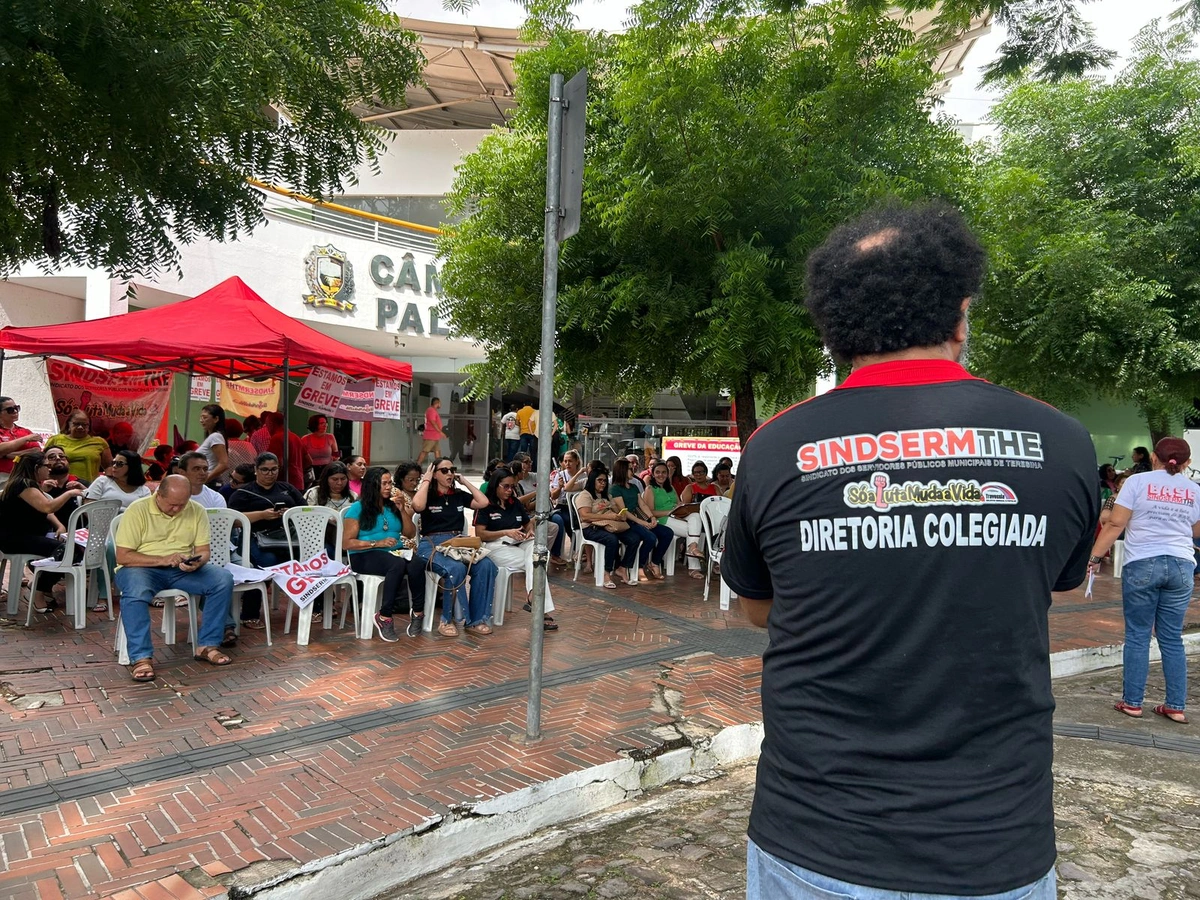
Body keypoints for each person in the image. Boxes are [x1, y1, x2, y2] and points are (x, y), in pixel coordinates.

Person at [722, 202, 1098, 900]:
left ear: (835, 329)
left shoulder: (775, 447)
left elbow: (758, 608)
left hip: (816, 838)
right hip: (993, 844)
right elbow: (1054, 585)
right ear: (961, 314)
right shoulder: (1060, 441)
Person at [1089, 437, 1200, 725]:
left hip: (1143, 563)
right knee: (1171, 638)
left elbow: (1115, 523)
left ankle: (1132, 703)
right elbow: (1196, 529)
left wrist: (1095, 557)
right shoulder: (1194, 489)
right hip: (1182, 565)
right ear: (1187, 463)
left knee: (1138, 635)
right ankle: (1175, 706)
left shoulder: (1137, 483)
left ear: (1153, 457)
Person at [114, 475, 235, 681]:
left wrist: (197, 562)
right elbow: (123, 556)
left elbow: (204, 551)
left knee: (222, 579)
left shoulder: (196, 510)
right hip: (141, 567)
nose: (177, 509)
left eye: (182, 504)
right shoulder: (137, 510)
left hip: (180, 568)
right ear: (158, 495)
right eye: (172, 504)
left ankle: (207, 645)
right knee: (135, 592)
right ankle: (141, 657)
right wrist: (162, 559)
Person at [411, 457, 498, 637]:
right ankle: (446, 620)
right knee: (455, 569)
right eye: (444, 471)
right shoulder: (428, 494)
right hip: (432, 544)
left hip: (458, 543)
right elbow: (417, 506)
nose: (449, 473)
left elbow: (483, 503)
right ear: (435, 474)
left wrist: (464, 481)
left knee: (487, 565)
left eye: (452, 469)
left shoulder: (458, 495)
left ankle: (476, 620)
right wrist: (426, 480)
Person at [343, 466, 425, 642]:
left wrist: (402, 510)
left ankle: (418, 613)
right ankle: (384, 616)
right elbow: (346, 543)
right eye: (384, 483)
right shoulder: (357, 508)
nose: (389, 487)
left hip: (394, 552)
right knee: (397, 564)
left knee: (418, 563)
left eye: (390, 483)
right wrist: (377, 543)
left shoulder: (392, 506)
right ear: (372, 485)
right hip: (364, 554)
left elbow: (410, 533)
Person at [474, 466, 559, 631]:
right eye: (505, 486)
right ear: (495, 485)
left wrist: (530, 531)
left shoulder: (515, 503)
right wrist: (505, 532)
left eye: (512, 487)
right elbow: (480, 534)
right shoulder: (485, 504)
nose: (509, 490)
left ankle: (533, 597)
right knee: (537, 563)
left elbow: (527, 525)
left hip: (518, 543)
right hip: (495, 546)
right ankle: (541, 609)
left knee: (538, 552)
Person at [0, 452, 86, 611]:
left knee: (73, 550)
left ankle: (39, 584)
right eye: (46, 465)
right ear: (36, 467)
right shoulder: (23, 484)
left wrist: (59, 526)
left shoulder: (29, 484)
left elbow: (44, 510)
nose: (50, 469)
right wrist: (69, 493)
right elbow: (47, 507)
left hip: (27, 536)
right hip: (16, 538)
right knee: (68, 551)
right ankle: (39, 590)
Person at [228, 452, 305, 629]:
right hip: (255, 537)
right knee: (267, 562)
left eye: (274, 469)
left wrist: (289, 513)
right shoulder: (244, 492)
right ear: (256, 470)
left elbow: (305, 511)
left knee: (308, 558)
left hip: (286, 538)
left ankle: (316, 608)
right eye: (265, 470)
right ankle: (249, 613)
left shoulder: (287, 488)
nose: (270, 474)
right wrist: (262, 515)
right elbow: (232, 520)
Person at [574, 468, 643, 589]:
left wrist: (620, 515)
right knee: (611, 540)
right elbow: (585, 516)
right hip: (591, 527)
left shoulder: (607, 496)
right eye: (599, 480)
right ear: (592, 480)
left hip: (609, 525)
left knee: (634, 538)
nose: (603, 483)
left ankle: (622, 568)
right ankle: (606, 573)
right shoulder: (585, 495)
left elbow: (616, 510)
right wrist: (608, 516)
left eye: (605, 481)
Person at [610, 458, 670, 581]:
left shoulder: (633, 487)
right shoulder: (615, 489)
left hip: (638, 519)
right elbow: (624, 511)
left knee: (667, 533)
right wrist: (642, 522)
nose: (633, 471)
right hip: (626, 522)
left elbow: (642, 504)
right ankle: (639, 566)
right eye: (630, 469)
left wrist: (651, 517)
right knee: (650, 538)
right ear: (622, 470)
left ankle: (654, 562)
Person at [645, 462, 701, 579]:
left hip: (677, 515)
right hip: (662, 519)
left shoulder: (671, 488)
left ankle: (692, 547)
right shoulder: (650, 489)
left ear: (667, 474)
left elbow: (678, 503)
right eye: (658, 472)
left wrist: (681, 507)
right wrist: (669, 512)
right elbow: (649, 512)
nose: (661, 475)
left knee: (695, 516)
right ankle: (694, 566)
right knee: (693, 531)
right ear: (653, 474)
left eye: (664, 472)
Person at [44, 411, 112, 483]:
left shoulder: (100, 442)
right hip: (60, 486)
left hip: (90, 486)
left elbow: (109, 467)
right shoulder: (55, 440)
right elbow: (43, 463)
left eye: (84, 425)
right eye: (76, 424)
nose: (80, 427)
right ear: (68, 424)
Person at [84, 451, 152, 508]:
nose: (114, 466)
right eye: (113, 463)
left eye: (119, 464)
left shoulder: (144, 491)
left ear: (132, 466)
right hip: (101, 519)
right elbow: (88, 507)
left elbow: (145, 513)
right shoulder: (102, 481)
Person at [0, 397, 42, 482]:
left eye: (17, 408)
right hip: (4, 476)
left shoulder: (25, 431)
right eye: (10, 410)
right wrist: (26, 439)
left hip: (27, 475)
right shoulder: (27, 436)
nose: (15, 411)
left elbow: (36, 451)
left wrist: (7, 455)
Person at [264, 411, 309, 491]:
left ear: (271, 424)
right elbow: (309, 460)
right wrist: (298, 469)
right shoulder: (296, 437)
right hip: (298, 482)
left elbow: (277, 463)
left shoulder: (276, 438)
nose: (267, 429)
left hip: (284, 483)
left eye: (267, 425)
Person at [41, 446, 85, 524]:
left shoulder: (82, 484)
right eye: (52, 457)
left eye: (62, 456)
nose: (58, 458)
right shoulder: (37, 486)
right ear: (44, 464)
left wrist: (86, 492)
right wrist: (42, 492)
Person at [197, 404, 230, 487]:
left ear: (216, 419)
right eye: (201, 417)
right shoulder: (212, 437)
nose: (201, 420)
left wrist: (205, 480)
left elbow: (224, 464)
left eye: (205, 417)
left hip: (210, 483)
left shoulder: (215, 437)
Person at [416, 398, 446, 467]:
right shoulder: (431, 410)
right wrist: (440, 432)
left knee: (437, 451)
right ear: (437, 403)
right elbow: (433, 422)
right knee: (425, 451)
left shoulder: (433, 410)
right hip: (431, 436)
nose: (440, 405)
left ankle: (439, 466)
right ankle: (417, 465)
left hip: (435, 436)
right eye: (439, 403)